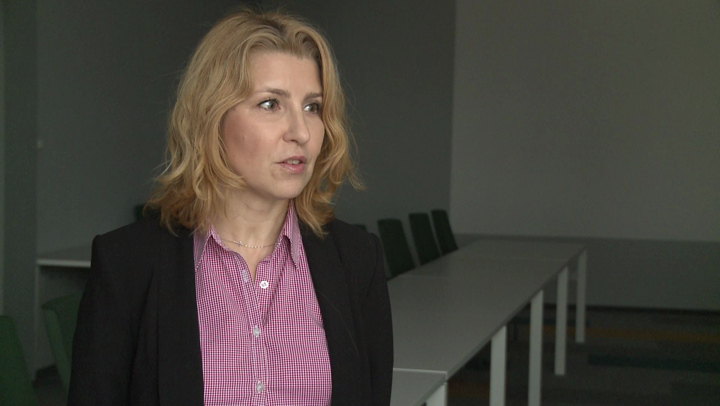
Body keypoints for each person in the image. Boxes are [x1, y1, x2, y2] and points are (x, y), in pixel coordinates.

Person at [68, 8, 393, 406]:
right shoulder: (126, 264)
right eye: (271, 104)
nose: (301, 132)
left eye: (312, 107)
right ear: (212, 116)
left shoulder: (358, 260)